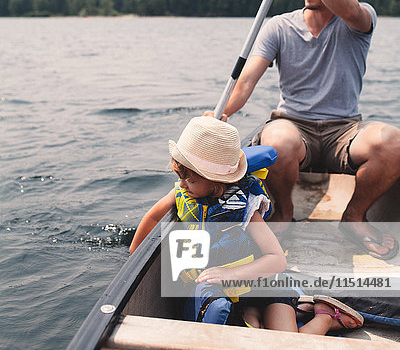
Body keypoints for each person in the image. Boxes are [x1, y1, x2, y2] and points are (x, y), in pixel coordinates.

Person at [208, 0, 400, 260]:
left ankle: (353, 217)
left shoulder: (360, 19)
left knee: (393, 142)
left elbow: (351, 9)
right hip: (293, 126)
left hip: (345, 131)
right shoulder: (280, 27)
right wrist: (220, 114)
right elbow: (245, 83)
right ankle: (284, 214)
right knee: (277, 141)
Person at [129, 115, 363, 335]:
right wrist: (134, 254)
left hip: (261, 282)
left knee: (287, 342)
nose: (181, 185)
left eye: (190, 179)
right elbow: (151, 217)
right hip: (226, 294)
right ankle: (277, 313)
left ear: (217, 181)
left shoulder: (246, 209)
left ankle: (324, 317)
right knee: (249, 329)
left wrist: (230, 274)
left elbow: (277, 259)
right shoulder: (181, 193)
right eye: (180, 176)